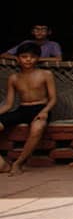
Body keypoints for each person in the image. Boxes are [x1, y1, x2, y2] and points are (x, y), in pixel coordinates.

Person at [0, 42, 57, 175]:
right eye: (24, 56)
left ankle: (18, 163)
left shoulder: (45, 74)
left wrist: (45, 111)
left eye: (32, 57)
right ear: (18, 58)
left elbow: (53, 98)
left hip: (41, 108)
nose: (28, 59)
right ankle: (3, 163)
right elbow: (8, 104)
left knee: (37, 128)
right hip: (22, 109)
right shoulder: (14, 78)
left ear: (37, 58)